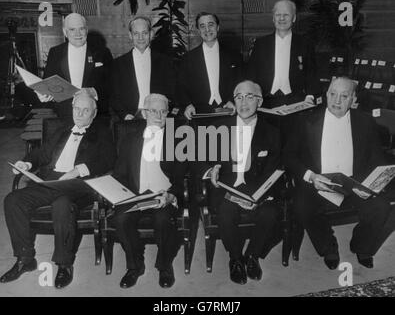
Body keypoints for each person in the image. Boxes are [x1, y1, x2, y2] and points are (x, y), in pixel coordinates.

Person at [0, 92, 116, 288]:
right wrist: (26, 164)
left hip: (79, 184)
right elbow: (41, 153)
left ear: (94, 113)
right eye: (76, 109)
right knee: (13, 200)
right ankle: (25, 259)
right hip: (52, 180)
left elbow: (109, 158)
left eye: (85, 110)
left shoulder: (103, 131)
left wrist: (79, 169)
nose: (79, 114)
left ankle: (64, 264)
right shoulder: (61, 128)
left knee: (62, 201)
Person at [284, 76, 392, 270]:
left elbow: (377, 158)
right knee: (302, 206)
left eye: (344, 96)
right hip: (318, 182)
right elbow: (289, 157)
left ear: (353, 99)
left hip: (354, 182)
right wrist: (311, 176)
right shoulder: (305, 121)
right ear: (326, 95)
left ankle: (361, 246)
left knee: (381, 207)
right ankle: (328, 247)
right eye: (333, 94)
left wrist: (370, 185)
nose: (337, 101)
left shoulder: (365, 122)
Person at [203, 80, 282, 285]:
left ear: (260, 101)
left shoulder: (272, 132)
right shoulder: (218, 127)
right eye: (239, 97)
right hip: (226, 187)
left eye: (249, 97)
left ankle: (252, 256)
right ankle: (236, 259)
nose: (243, 102)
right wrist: (213, 168)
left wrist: (258, 197)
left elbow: (274, 170)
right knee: (226, 212)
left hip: (256, 189)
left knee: (270, 212)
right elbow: (202, 160)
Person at [112, 93, 187, 289]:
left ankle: (164, 266)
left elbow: (182, 177)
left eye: (164, 111)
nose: (159, 116)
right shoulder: (129, 139)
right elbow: (120, 173)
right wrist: (120, 194)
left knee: (163, 220)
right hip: (135, 194)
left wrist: (171, 195)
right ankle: (134, 266)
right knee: (120, 219)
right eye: (154, 111)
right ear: (145, 113)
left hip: (163, 195)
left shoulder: (177, 140)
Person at [36, 13, 113, 119]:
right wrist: (45, 94)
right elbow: (48, 81)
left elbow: (112, 84)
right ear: (65, 32)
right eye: (72, 29)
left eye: (81, 29)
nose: (78, 34)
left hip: (95, 115)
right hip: (65, 114)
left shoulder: (102, 52)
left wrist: (93, 91)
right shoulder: (55, 52)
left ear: (86, 30)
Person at [246, 0, 320, 108]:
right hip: (265, 101)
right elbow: (251, 74)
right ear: (273, 18)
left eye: (286, 15)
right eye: (278, 15)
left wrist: (309, 97)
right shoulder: (261, 44)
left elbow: (311, 73)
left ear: (294, 18)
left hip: (296, 101)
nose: (281, 18)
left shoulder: (305, 43)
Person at [177, 12, 242, 120]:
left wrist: (233, 100)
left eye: (211, 25)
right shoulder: (188, 58)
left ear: (218, 27)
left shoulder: (234, 56)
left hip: (227, 111)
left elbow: (241, 81)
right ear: (198, 30)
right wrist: (187, 105)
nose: (207, 29)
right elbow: (180, 87)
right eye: (202, 26)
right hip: (199, 114)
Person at [109, 16, 175, 121]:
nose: (141, 38)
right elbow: (113, 95)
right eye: (136, 34)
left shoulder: (165, 62)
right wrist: (125, 115)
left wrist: (163, 112)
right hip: (130, 117)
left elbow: (171, 92)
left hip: (157, 117)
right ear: (130, 35)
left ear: (151, 34)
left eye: (144, 33)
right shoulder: (118, 64)